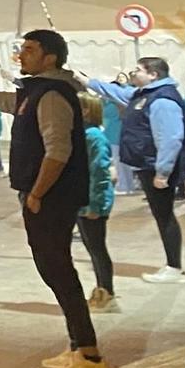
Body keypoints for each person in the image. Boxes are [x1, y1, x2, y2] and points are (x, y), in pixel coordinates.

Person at [0, 30, 112, 368]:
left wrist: (36, 193)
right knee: (54, 269)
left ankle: (90, 354)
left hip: (50, 198)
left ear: (50, 57)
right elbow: (1, 101)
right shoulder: (36, 91)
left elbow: (57, 150)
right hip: (45, 196)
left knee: (58, 269)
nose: (22, 56)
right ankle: (78, 344)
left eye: (30, 50)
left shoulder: (52, 95)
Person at [87, 56, 185, 284]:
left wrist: (163, 172)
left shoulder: (163, 101)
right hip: (148, 164)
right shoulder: (144, 95)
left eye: (138, 70)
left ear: (153, 74)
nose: (134, 73)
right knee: (162, 215)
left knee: (165, 216)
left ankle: (173, 267)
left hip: (157, 167)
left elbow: (170, 138)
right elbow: (118, 94)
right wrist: (87, 81)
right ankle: (172, 265)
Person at [76, 93, 118, 313]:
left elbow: (100, 173)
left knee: (98, 249)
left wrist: (94, 205)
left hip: (92, 204)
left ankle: (107, 292)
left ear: (85, 110)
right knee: (92, 249)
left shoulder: (93, 136)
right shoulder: (82, 134)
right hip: (82, 202)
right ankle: (101, 289)